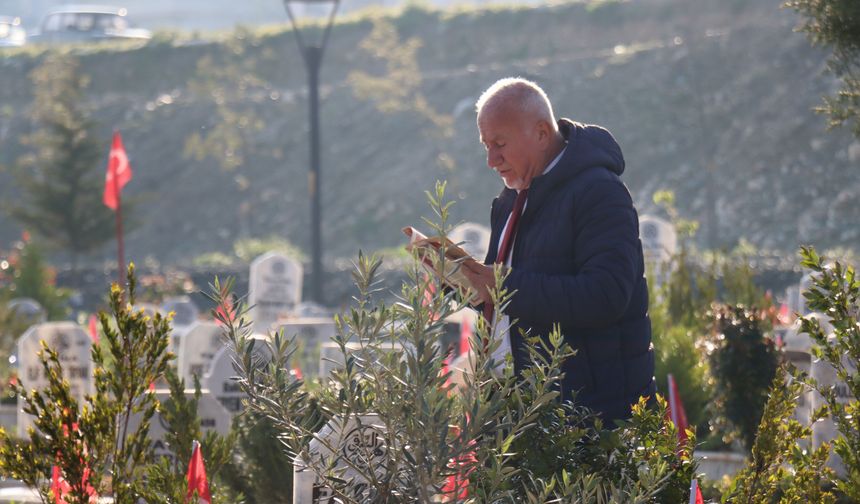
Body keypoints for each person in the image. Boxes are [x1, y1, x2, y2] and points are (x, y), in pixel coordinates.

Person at [460, 77, 655, 423]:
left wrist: (505, 286)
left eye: (500, 143)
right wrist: (462, 281)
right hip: (519, 415)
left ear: (540, 133)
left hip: (589, 419)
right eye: (485, 145)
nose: (492, 160)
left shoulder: (599, 193)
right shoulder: (510, 201)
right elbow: (505, 300)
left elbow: (606, 295)